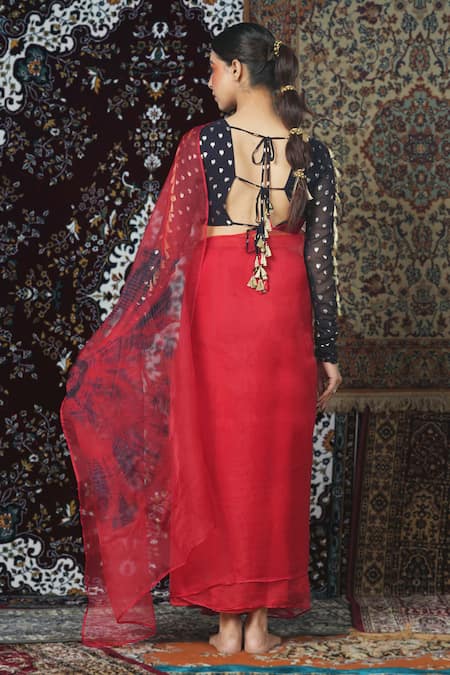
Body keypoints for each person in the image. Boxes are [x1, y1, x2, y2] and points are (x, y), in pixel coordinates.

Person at [60, 22, 342, 654]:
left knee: (217, 458)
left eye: (214, 69)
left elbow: (165, 252)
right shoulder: (313, 153)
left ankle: (226, 625)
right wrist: (327, 351)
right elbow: (321, 263)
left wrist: (129, 329)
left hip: (219, 308)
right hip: (286, 312)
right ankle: (259, 626)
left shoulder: (204, 144)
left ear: (238, 71)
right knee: (276, 463)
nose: (210, 81)